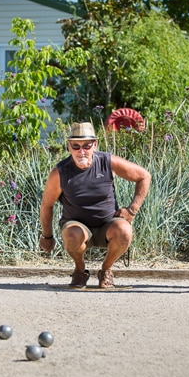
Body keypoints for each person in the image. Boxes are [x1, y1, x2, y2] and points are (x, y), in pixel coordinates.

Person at [39, 122, 151, 288]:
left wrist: (132, 210)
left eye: (87, 145)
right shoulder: (60, 172)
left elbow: (144, 176)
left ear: (95, 145)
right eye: (76, 146)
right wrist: (47, 236)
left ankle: (106, 270)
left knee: (125, 231)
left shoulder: (107, 162)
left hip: (108, 224)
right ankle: (79, 270)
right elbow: (47, 205)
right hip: (77, 226)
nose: (81, 151)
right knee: (72, 235)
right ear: (68, 146)